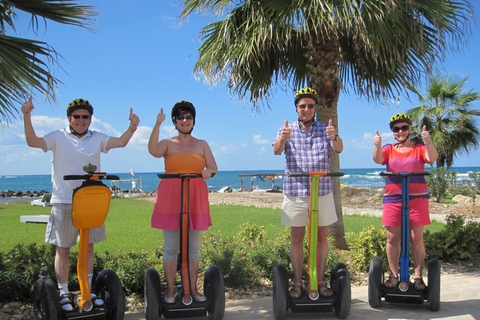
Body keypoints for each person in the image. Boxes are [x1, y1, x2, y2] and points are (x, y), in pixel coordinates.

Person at [22, 96, 140, 311]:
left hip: (91, 201)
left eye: (85, 116)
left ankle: (87, 289)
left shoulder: (97, 138)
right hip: (65, 200)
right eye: (76, 116)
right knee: (63, 248)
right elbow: (33, 142)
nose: (80, 120)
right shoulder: (57, 136)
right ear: (69, 118)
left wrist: (132, 128)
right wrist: (27, 115)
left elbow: (120, 142)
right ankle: (64, 291)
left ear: (90, 118)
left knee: (89, 248)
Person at [273, 87, 343, 299]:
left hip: (321, 191)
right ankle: (296, 281)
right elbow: (276, 151)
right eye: (302, 106)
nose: (306, 109)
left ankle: (320, 281)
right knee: (297, 236)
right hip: (296, 191)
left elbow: (338, 148)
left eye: (310, 106)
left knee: (322, 236)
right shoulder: (286, 129)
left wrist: (335, 136)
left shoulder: (326, 129)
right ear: (297, 108)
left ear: (315, 108)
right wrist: (283, 139)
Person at [148, 100, 218, 303]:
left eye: (188, 117)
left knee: (193, 247)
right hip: (170, 197)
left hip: (195, 197)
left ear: (193, 120)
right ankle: (170, 290)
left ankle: (192, 288)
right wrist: (157, 124)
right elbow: (153, 150)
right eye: (180, 117)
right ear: (175, 121)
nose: (185, 120)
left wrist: (208, 172)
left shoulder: (202, 144)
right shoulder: (168, 143)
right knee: (171, 247)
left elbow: (213, 167)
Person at [372, 113, 438, 290]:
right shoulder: (388, 148)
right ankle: (393, 275)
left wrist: (428, 142)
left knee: (416, 238)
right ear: (393, 132)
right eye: (396, 129)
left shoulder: (419, 148)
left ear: (409, 129)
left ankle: (417, 276)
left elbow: (432, 158)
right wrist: (377, 146)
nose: (400, 131)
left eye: (404, 128)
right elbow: (378, 159)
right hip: (393, 199)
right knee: (392, 238)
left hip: (417, 198)